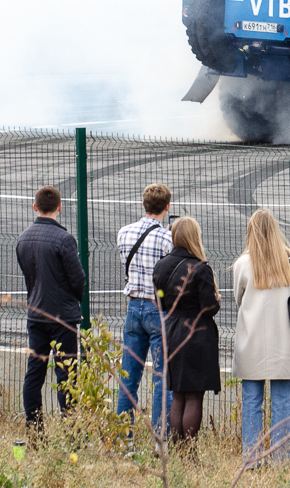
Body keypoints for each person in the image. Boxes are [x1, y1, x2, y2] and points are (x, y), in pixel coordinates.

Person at [232, 210, 290, 467]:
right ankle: (280, 460)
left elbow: (238, 299)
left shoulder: (242, 264)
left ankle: (251, 459)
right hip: (283, 341)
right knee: (282, 401)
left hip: (251, 340)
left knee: (252, 401)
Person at [16, 186, 85, 430]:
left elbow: (28, 275)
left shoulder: (23, 237)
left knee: (34, 373)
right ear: (60, 206)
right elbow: (77, 279)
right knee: (67, 375)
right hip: (62, 318)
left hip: (36, 313)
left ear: (35, 207)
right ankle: (72, 429)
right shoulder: (64, 239)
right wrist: (73, 300)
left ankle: (34, 427)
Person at [153, 217, 221, 444]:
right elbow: (209, 308)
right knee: (194, 396)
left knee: (178, 395)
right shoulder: (200, 268)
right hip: (197, 334)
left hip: (172, 332)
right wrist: (217, 299)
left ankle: (177, 449)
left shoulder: (161, 266)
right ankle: (190, 452)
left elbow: (160, 303)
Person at [115, 183, 174, 436]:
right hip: (157, 308)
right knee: (162, 378)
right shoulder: (167, 237)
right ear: (167, 207)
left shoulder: (124, 233)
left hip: (133, 307)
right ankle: (161, 438)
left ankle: (122, 438)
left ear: (143, 204)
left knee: (128, 378)